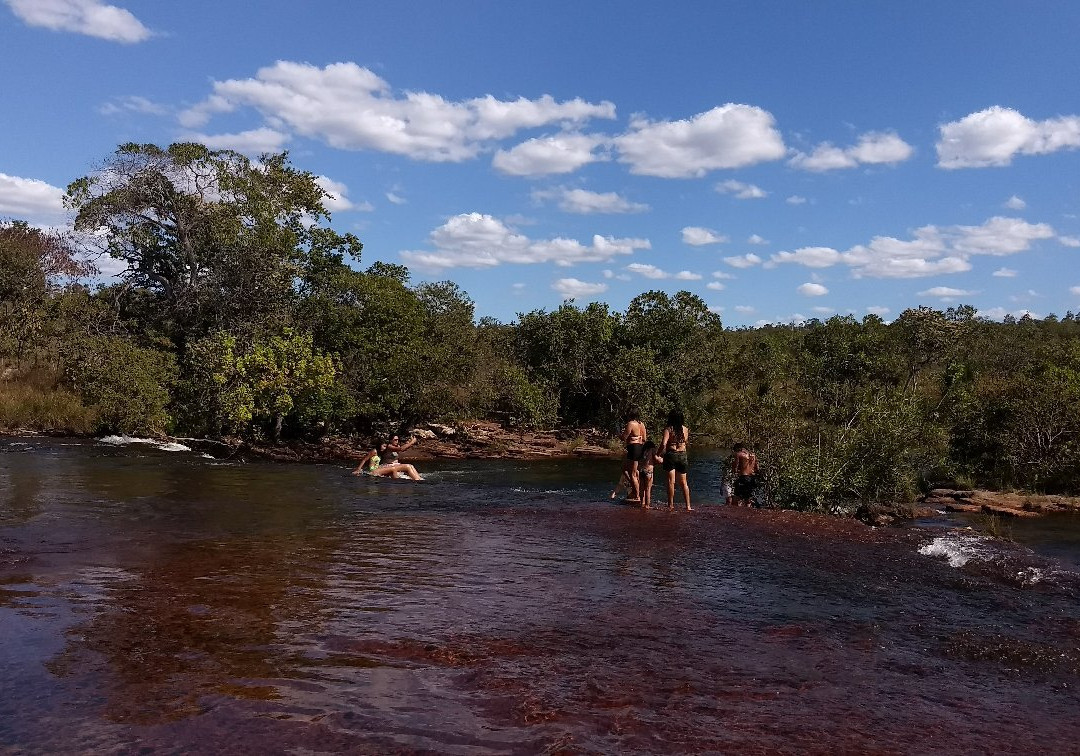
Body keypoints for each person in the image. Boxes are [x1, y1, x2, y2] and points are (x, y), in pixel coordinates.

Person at [352, 434, 423, 480]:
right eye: (395, 440)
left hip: (395, 465)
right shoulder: (388, 447)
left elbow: (402, 448)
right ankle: (417, 481)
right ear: (391, 440)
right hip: (388, 466)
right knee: (407, 466)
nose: (397, 441)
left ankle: (419, 479)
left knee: (410, 466)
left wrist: (409, 443)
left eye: (398, 440)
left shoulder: (393, 447)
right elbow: (401, 449)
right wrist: (412, 442)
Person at [659, 410, 691, 511]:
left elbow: (663, 444)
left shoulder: (668, 429)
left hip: (671, 455)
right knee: (684, 482)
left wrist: (658, 453)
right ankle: (688, 506)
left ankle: (670, 505)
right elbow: (685, 442)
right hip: (682, 455)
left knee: (671, 481)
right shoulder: (685, 429)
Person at [620, 410, 648, 505]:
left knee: (632, 473)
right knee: (629, 470)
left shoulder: (630, 424)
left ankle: (637, 495)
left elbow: (624, 437)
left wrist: (619, 434)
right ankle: (636, 489)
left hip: (634, 448)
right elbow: (644, 439)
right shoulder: (642, 424)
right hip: (640, 448)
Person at [638, 439, 661, 509]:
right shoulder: (652, 450)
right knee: (648, 489)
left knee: (642, 488)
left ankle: (642, 503)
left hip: (641, 470)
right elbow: (657, 459)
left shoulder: (643, 451)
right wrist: (663, 460)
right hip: (648, 472)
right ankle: (647, 505)